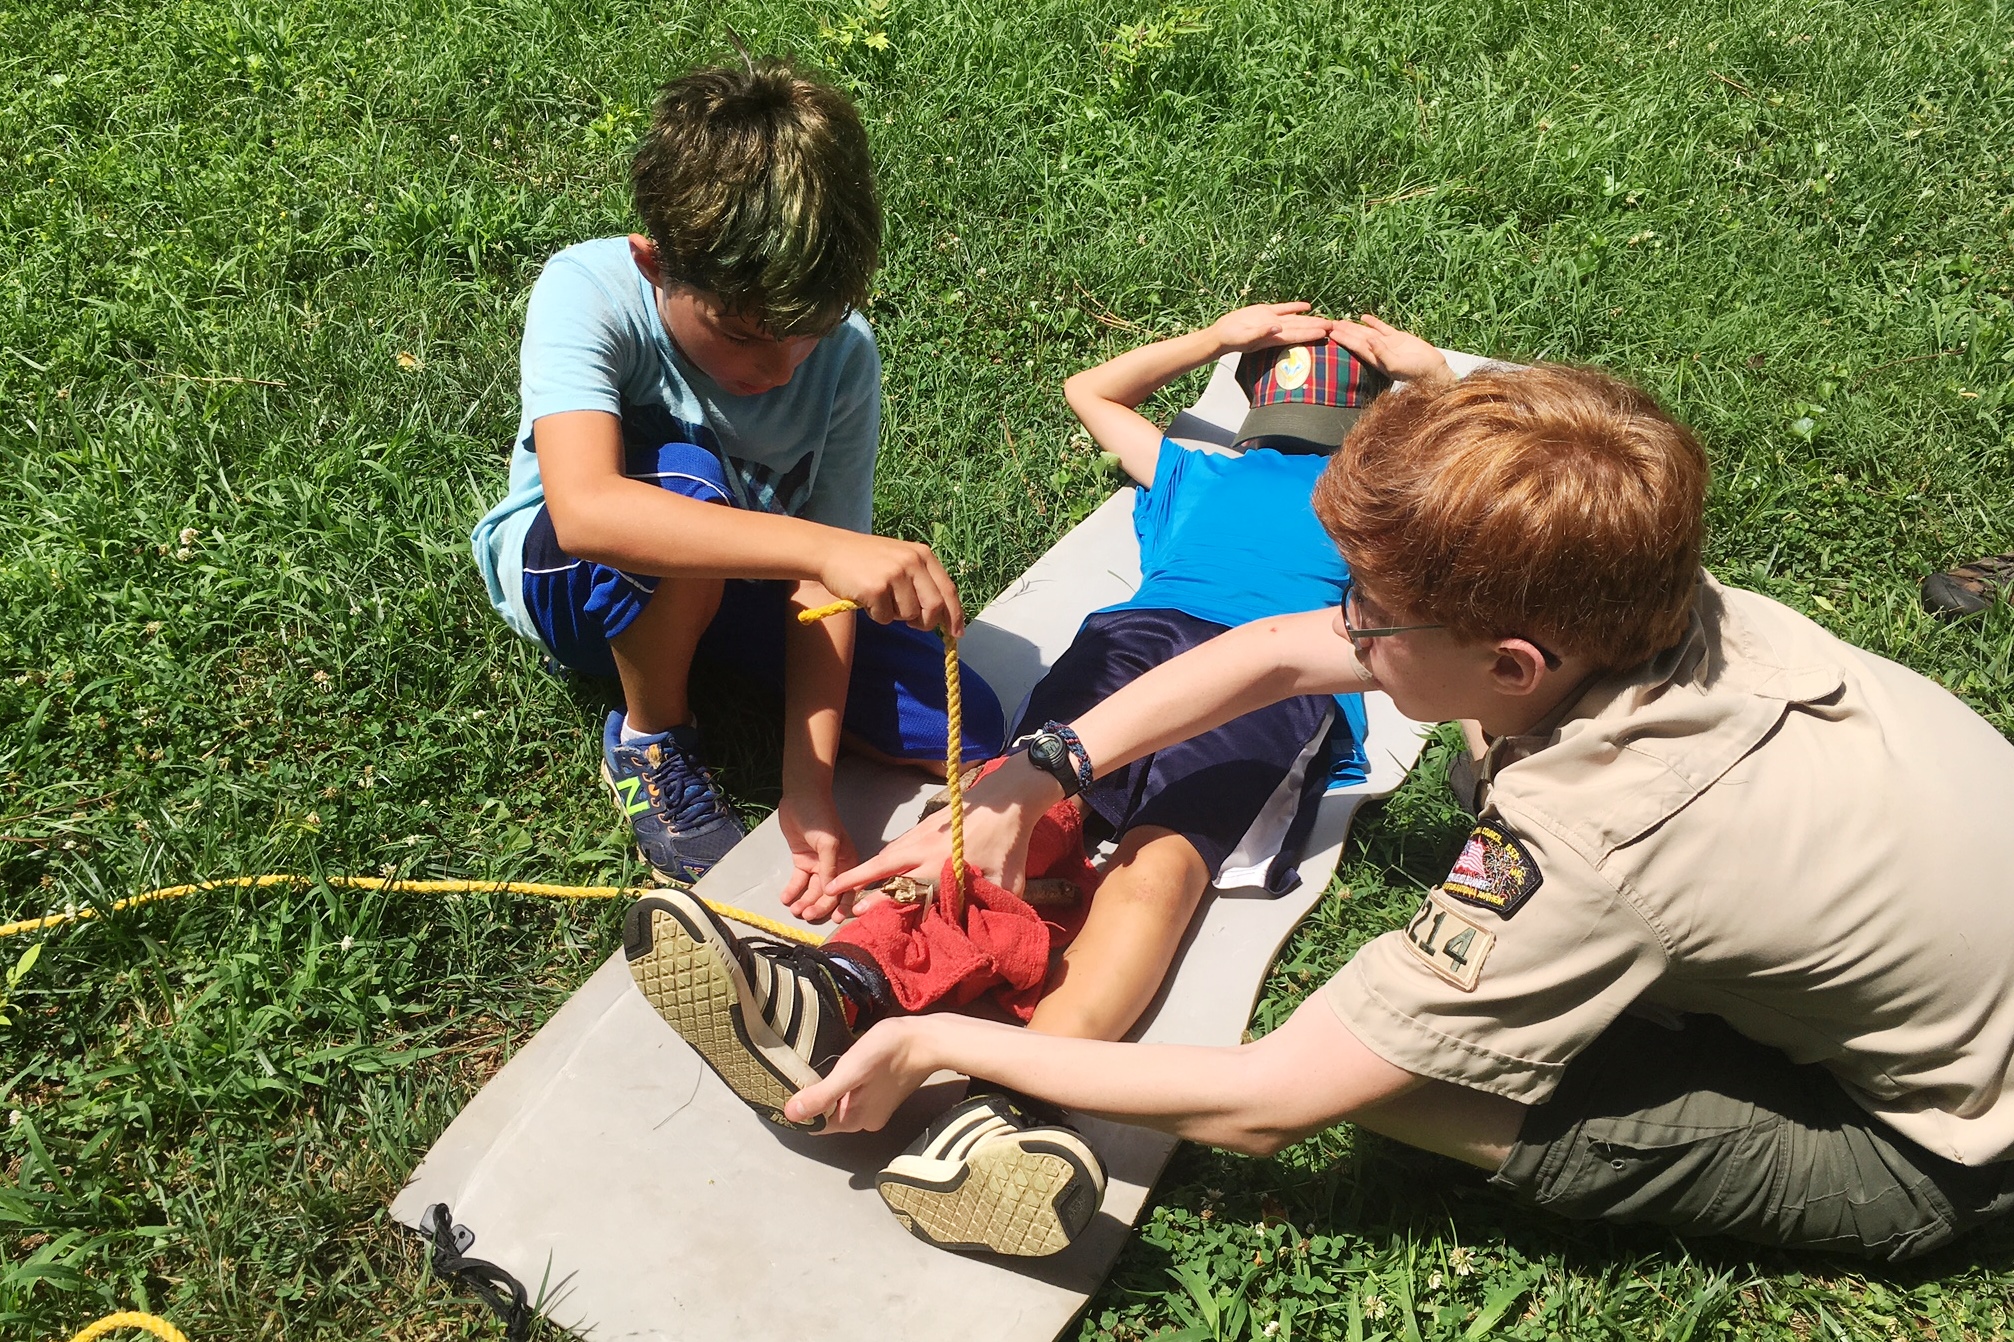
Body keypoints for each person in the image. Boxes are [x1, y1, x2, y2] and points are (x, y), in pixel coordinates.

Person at [792, 316, 2014, 1263]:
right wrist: (1035, 772)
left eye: (1369, 615)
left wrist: (936, 1035)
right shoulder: (1648, 602)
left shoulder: (1594, 835)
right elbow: (1269, 651)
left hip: (1942, 1147)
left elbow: (1271, 1101)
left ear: (1510, 663)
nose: (1342, 625)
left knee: (1409, 1089)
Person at [623, 304, 1392, 1257]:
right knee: (1007, 816)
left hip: (1288, 678)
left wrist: (1426, 376)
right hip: (1137, 646)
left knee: (1155, 872)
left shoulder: (1385, 508)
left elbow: (1491, 505)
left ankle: (1007, 1108)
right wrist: (1215, 341)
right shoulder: (1197, 470)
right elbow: (1090, 392)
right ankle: (842, 987)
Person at [468, 56, 1004, 896]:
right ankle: (652, 736)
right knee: (685, 485)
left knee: (968, 727)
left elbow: (815, 595)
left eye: (810, 331)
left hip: (736, 575)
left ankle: (693, 653)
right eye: (746, 335)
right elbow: (586, 512)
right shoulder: (590, 290)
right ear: (655, 264)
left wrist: (809, 788)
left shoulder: (843, 357)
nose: (784, 367)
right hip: (576, 579)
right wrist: (823, 548)